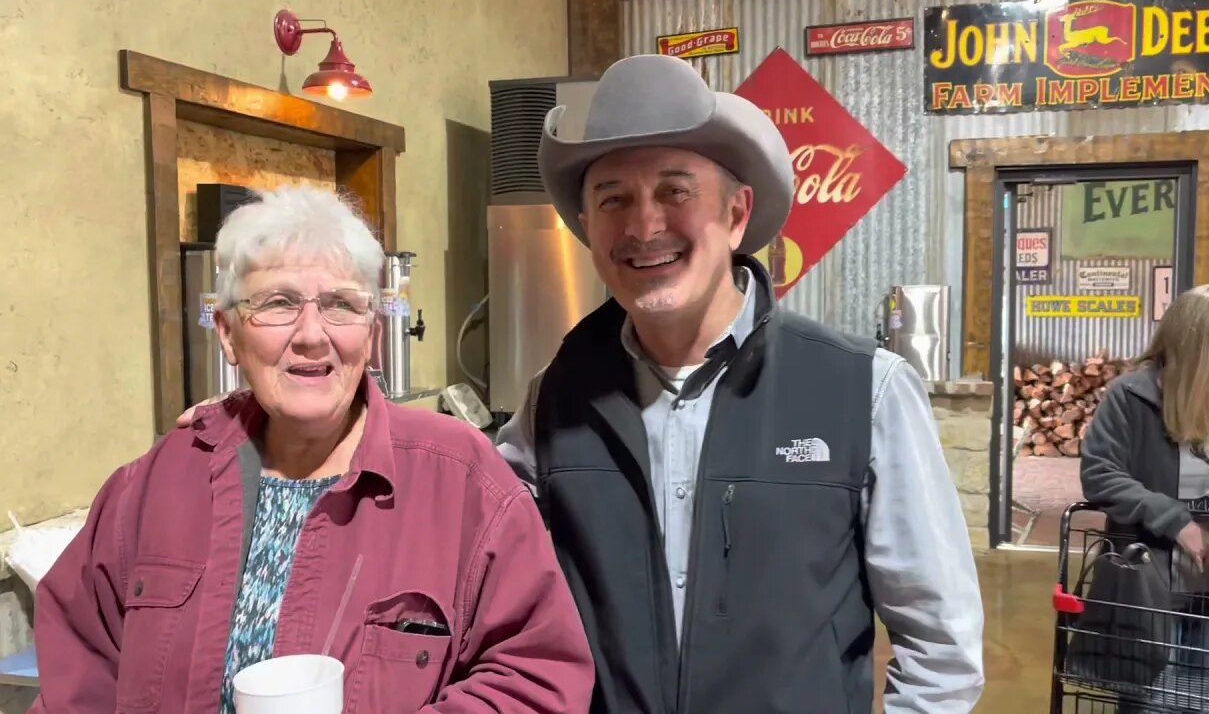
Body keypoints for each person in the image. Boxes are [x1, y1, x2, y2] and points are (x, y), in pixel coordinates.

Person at [496, 54, 984, 712]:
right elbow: (479, 568)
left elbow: (942, 648)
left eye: (675, 191)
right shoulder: (552, 400)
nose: (644, 226)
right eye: (613, 199)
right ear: (587, 227)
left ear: (735, 214)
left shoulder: (862, 391)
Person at [30, 185, 594, 713]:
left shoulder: (462, 480)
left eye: (341, 305)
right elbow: (76, 675)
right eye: (277, 302)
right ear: (228, 332)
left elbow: (536, 676)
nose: (311, 334)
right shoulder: (155, 484)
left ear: (371, 332)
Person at [1075, 285, 1209, 709]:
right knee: (1149, 703)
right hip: (1146, 589)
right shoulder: (1130, 398)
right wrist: (1178, 523)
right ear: (1200, 345)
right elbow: (1100, 473)